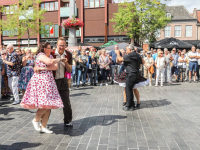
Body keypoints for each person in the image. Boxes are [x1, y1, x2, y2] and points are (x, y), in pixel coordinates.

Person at [21, 42, 64, 134]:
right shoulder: (40, 55)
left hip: (49, 81)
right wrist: (59, 59)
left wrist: (42, 68)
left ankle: (44, 126)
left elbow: (55, 67)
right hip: (41, 81)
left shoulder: (51, 57)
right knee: (45, 103)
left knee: (48, 105)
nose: (51, 49)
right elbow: (50, 63)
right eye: (49, 48)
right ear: (45, 49)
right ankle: (36, 120)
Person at [51, 37, 73, 127]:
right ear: (56, 45)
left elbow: (70, 70)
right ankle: (42, 122)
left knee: (66, 103)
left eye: (63, 45)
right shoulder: (51, 53)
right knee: (47, 103)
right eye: (60, 45)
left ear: (66, 45)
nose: (61, 47)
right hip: (52, 81)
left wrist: (66, 63)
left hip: (63, 80)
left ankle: (68, 121)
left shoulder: (68, 54)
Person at [116, 44, 142, 111]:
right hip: (135, 73)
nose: (126, 50)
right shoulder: (138, 55)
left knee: (128, 90)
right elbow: (118, 61)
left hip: (131, 74)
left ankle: (129, 106)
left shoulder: (130, 55)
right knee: (130, 89)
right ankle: (132, 105)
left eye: (127, 49)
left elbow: (120, 59)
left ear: (130, 49)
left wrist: (118, 53)